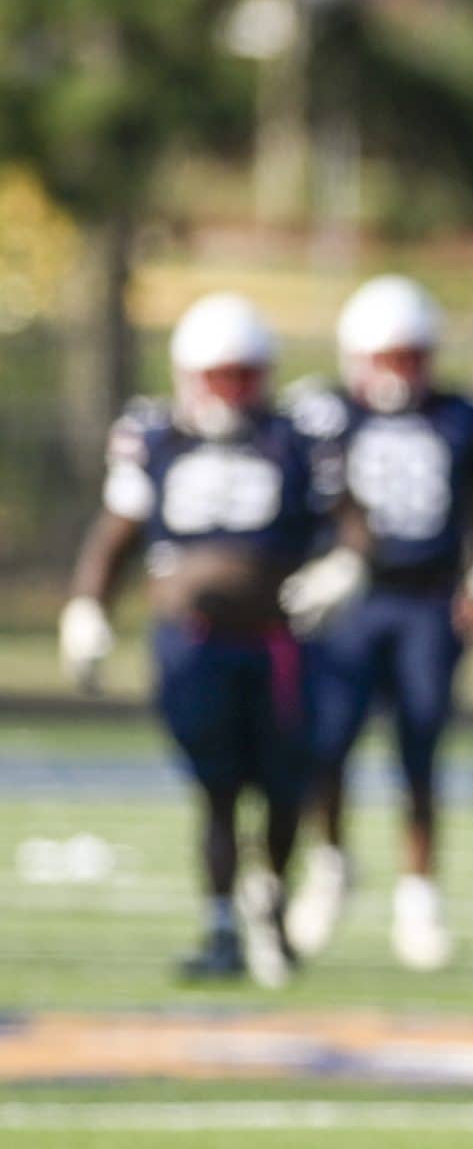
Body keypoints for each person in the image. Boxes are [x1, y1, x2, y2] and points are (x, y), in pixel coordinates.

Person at [59, 293, 353, 986]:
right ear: (189, 374)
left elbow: (348, 519)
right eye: (219, 377)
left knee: (285, 786)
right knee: (217, 788)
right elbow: (116, 533)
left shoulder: (296, 437)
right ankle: (223, 925)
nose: (231, 393)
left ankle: (269, 907)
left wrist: (346, 566)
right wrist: (86, 605)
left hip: (277, 640)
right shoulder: (156, 436)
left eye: (242, 376)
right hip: (194, 644)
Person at [286, 275, 473, 970]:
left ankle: (420, 894)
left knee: (420, 751)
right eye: (388, 358)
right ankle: (330, 865)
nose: (400, 373)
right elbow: (304, 503)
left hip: (426, 601)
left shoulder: (457, 416)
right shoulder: (324, 415)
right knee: (327, 745)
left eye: (411, 357)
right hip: (350, 601)